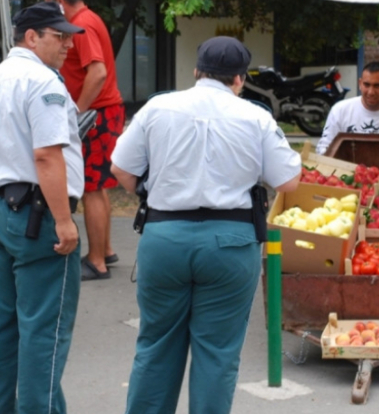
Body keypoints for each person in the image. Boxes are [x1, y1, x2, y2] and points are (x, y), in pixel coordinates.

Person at [110, 36, 301, 414]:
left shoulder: (158, 107)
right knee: (218, 354)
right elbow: (288, 182)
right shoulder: (255, 116)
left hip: (164, 236)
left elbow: (121, 169)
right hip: (230, 241)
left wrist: (154, 192)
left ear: (196, 71)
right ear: (240, 79)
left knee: (156, 345)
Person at [0, 1, 85, 414]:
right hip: (37, 215)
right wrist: (64, 221)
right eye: (59, 36)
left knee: (1, 323)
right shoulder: (44, 83)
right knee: (44, 331)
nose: (67, 45)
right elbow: (47, 157)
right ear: (31, 37)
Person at [40, 0, 125, 281]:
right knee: (98, 186)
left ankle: (97, 260)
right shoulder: (90, 19)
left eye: (48, 3)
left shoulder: (83, 25)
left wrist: (77, 113)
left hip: (98, 115)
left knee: (90, 188)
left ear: (59, 1)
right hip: (105, 112)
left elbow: (98, 72)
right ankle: (106, 249)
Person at [315, 61, 379, 154]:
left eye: (377, 86)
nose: (371, 92)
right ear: (360, 84)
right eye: (366, 85)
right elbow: (324, 149)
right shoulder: (339, 110)